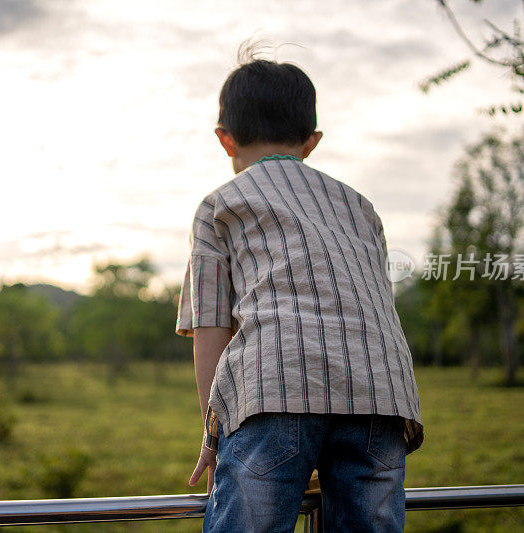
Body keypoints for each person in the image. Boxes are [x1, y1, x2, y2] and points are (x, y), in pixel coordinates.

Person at [174, 46, 424, 533]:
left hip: (274, 387)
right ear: (311, 141)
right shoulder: (360, 206)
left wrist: (213, 434)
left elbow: (211, 328)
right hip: (383, 394)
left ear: (225, 140)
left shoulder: (221, 204)